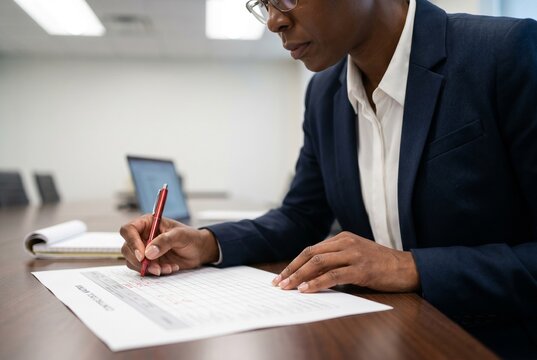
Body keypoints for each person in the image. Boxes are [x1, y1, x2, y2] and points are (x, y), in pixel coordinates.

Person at [120, 0, 537, 357]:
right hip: (382, 337)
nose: (273, 21)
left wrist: (411, 267)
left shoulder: (504, 53)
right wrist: (208, 243)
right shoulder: (324, 94)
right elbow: (301, 218)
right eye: (263, 4)